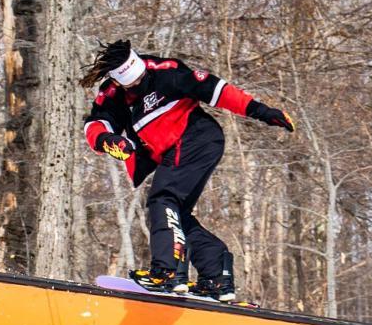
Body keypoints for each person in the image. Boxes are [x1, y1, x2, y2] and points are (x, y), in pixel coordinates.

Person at [80, 39, 295, 300]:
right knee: (174, 213)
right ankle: (217, 275)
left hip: (196, 137)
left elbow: (215, 90)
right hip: (173, 150)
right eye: (132, 84)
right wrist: (107, 140)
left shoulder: (164, 72)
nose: (138, 85)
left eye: (140, 79)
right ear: (117, 81)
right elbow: (96, 124)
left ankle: (167, 272)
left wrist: (261, 111)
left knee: (163, 200)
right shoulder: (112, 94)